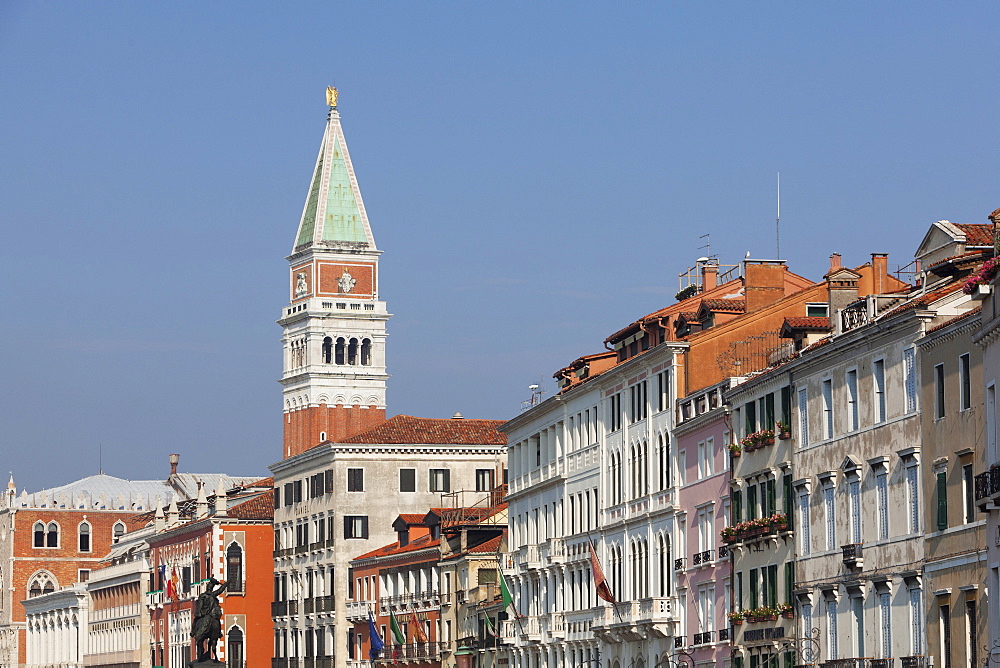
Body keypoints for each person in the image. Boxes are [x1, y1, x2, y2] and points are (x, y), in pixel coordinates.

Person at [191, 578, 227, 663]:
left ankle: (193, 631)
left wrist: (199, 613)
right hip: (212, 616)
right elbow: (220, 590)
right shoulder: (213, 595)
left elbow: (199, 607)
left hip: (204, 615)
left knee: (196, 620)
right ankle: (218, 633)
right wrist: (226, 584)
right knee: (217, 623)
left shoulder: (203, 596)